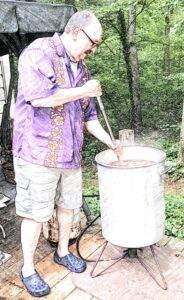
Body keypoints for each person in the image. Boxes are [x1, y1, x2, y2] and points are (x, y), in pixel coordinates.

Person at [13, 10, 121, 297]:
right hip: (38, 153)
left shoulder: (81, 69)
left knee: (68, 207)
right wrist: (81, 90)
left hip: (70, 154)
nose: (94, 50)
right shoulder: (38, 53)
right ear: (76, 32)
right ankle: (27, 269)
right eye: (93, 42)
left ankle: (62, 252)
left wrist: (110, 141)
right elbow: (38, 98)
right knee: (36, 214)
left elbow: (90, 118)